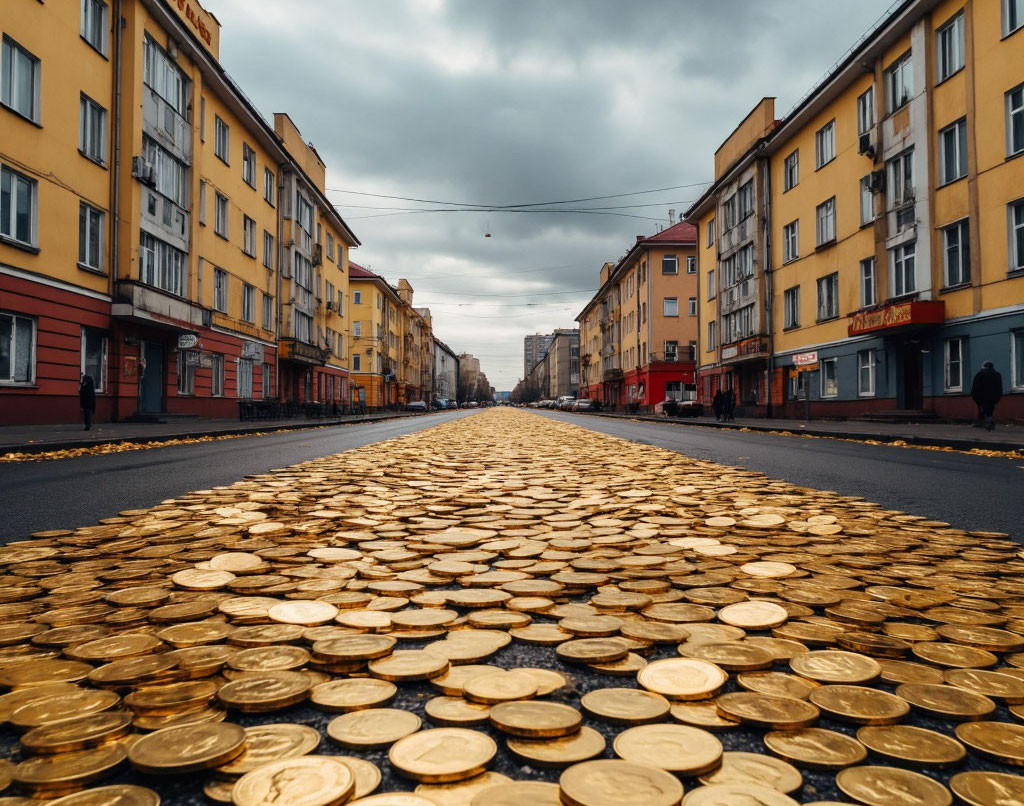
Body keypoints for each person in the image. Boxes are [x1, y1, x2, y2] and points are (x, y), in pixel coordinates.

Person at [970, 361, 1003, 431]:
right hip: (993, 397)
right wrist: (998, 397)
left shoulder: (980, 375)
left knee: (985, 411)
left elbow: (975, 387)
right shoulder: (997, 375)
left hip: (982, 397)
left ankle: (990, 423)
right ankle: (981, 422)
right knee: (989, 409)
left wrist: (976, 398)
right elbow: (999, 387)